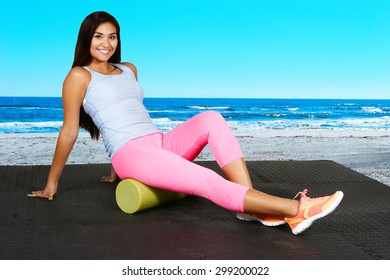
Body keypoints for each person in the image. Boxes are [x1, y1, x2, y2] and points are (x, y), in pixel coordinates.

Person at [28, 11, 344, 235]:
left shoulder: (129, 69)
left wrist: (112, 173)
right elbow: (70, 129)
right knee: (206, 179)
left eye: (112, 36)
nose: (106, 43)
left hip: (158, 141)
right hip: (133, 154)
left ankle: (247, 204)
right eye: (99, 36)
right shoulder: (79, 76)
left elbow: (128, 112)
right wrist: (51, 184)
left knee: (212, 118)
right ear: (87, 39)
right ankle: (295, 211)